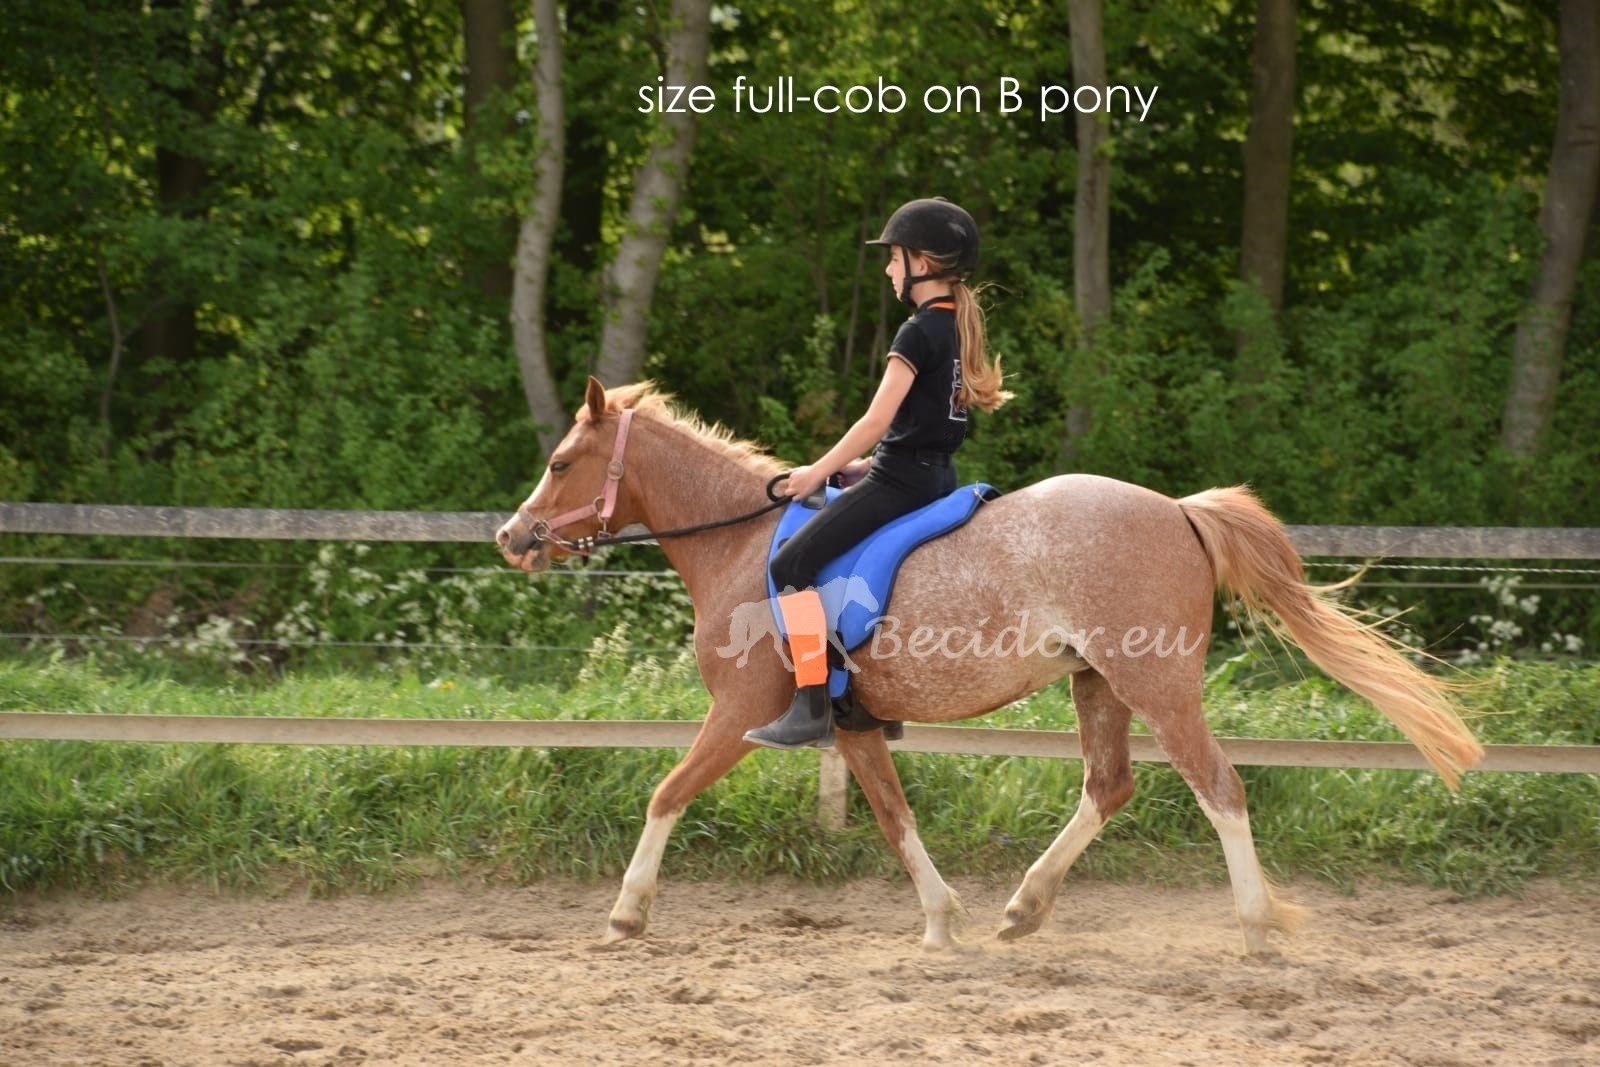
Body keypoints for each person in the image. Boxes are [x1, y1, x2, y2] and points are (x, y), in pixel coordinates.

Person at [744, 197, 1011, 750]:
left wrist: (817, 472)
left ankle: (811, 703)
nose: (889, 270)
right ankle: (876, 702)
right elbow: (928, 422)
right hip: (933, 476)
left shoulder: (917, 332)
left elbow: (876, 420)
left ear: (921, 263)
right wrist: (865, 466)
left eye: (893, 259)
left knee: (791, 563)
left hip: (901, 483)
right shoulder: (954, 327)